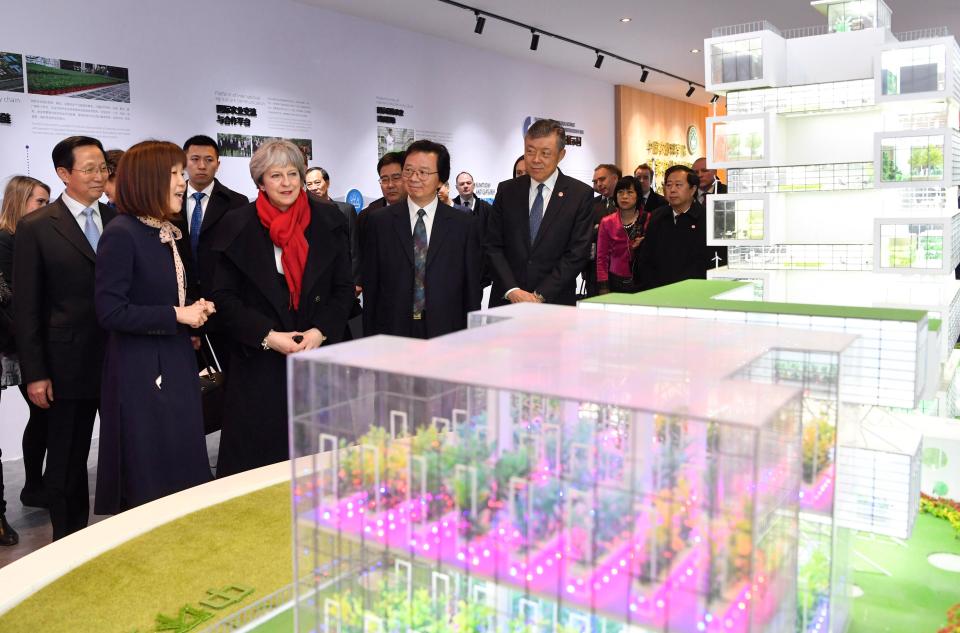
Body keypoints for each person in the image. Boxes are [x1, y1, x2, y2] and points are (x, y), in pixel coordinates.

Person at [212, 140, 354, 477]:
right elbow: (225, 298)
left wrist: (320, 331)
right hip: (259, 359)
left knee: (323, 461)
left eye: (293, 173)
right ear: (260, 181)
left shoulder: (328, 219)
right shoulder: (237, 224)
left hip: (318, 352)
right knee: (261, 463)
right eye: (276, 175)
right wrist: (268, 336)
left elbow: (344, 288)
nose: (287, 183)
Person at [93, 140, 214, 514]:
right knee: (152, 469)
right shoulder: (122, 233)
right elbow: (110, 312)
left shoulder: (162, 230)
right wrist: (177, 315)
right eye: (176, 174)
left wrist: (192, 310)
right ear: (149, 180)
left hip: (173, 358)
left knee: (180, 457)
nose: (184, 181)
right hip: (141, 369)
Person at [13, 136, 117, 540]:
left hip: (117, 360)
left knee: (123, 452)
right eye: (88, 169)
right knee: (67, 462)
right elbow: (27, 307)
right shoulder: (37, 226)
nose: (98, 176)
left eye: (102, 168)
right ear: (64, 173)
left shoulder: (117, 220)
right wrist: (35, 373)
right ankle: (69, 540)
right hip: (65, 366)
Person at [363, 140, 481, 339]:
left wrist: (470, 337)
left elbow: (471, 288)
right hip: (393, 330)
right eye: (408, 170)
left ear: (441, 179)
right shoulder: (379, 222)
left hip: (447, 330)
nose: (414, 178)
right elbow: (372, 287)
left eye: (423, 172)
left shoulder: (463, 224)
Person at [486, 119, 593, 307]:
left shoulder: (579, 194)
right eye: (530, 151)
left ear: (561, 154)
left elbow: (577, 253)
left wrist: (540, 295)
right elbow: (493, 245)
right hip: (506, 301)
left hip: (555, 303)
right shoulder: (507, 190)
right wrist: (512, 290)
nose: (535, 159)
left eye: (545, 153)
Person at [0, 175, 50, 544]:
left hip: (26, 341)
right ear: (19, 202)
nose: (44, 209)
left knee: (43, 412)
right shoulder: (5, 240)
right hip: (9, 344)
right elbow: (8, 298)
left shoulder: (35, 239)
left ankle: (35, 485)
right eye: (39, 202)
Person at [636, 165, 710, 290]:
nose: (672, 190)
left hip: (695, 291)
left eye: (678, 185)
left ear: (692, 189)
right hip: (659, 290)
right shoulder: (657, 216)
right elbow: (647, 257)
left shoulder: (706, 218)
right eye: (669, 185)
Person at [305, 166, 361, 292]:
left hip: (343, 277)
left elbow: (354, 247)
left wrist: (357, 281)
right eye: (309, 184)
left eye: (317, 182)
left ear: (327, 182)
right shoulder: (303, 214)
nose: (314, 187)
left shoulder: (346, 210)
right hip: (316, 279)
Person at [597, 176, 645, 294]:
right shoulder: (607, 222)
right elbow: (601, 258)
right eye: (620, 192)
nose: (624, 196)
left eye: (629, 192)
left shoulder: (648, 219)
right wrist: (603, 286)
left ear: (638, 195)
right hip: (615, 281)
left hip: (643, 280)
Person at [584, 163, 621, 297]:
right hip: (594, 271)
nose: (598, 184)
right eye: (595, 181)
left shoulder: (626, 203)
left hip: (621, 271)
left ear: (615, 178)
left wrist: (599, 228)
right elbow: (584, 233)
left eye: (602, 179)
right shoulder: (590, 204)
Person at [357, 152, 406, 245]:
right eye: (384, 180)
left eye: (396, 178)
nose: (390, 185)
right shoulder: (367, 217)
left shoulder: (420, 212)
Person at [692, 156, 727, 268]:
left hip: (720, 255)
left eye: (704, 171)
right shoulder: (687, 196)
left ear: (715, 171)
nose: (700, 175)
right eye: (695, 172)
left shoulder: (727, 193)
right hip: (693, 257)